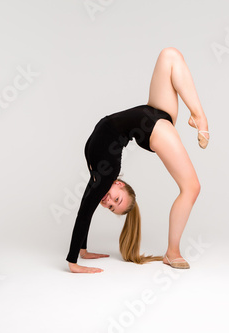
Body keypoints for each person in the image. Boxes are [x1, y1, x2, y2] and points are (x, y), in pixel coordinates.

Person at [66, 47, 210, 273]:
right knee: (191, 187)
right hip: (155, 130)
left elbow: (86, 207)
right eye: (115, 204)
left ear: (120, 185)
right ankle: (172, 252)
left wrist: (79, 255)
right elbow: (87, 206)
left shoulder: (101, 174)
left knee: (169, 55)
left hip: (155, 110)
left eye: (112, 203)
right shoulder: (108, 171)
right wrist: (75, 260)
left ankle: (199, 116)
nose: (108, 202)